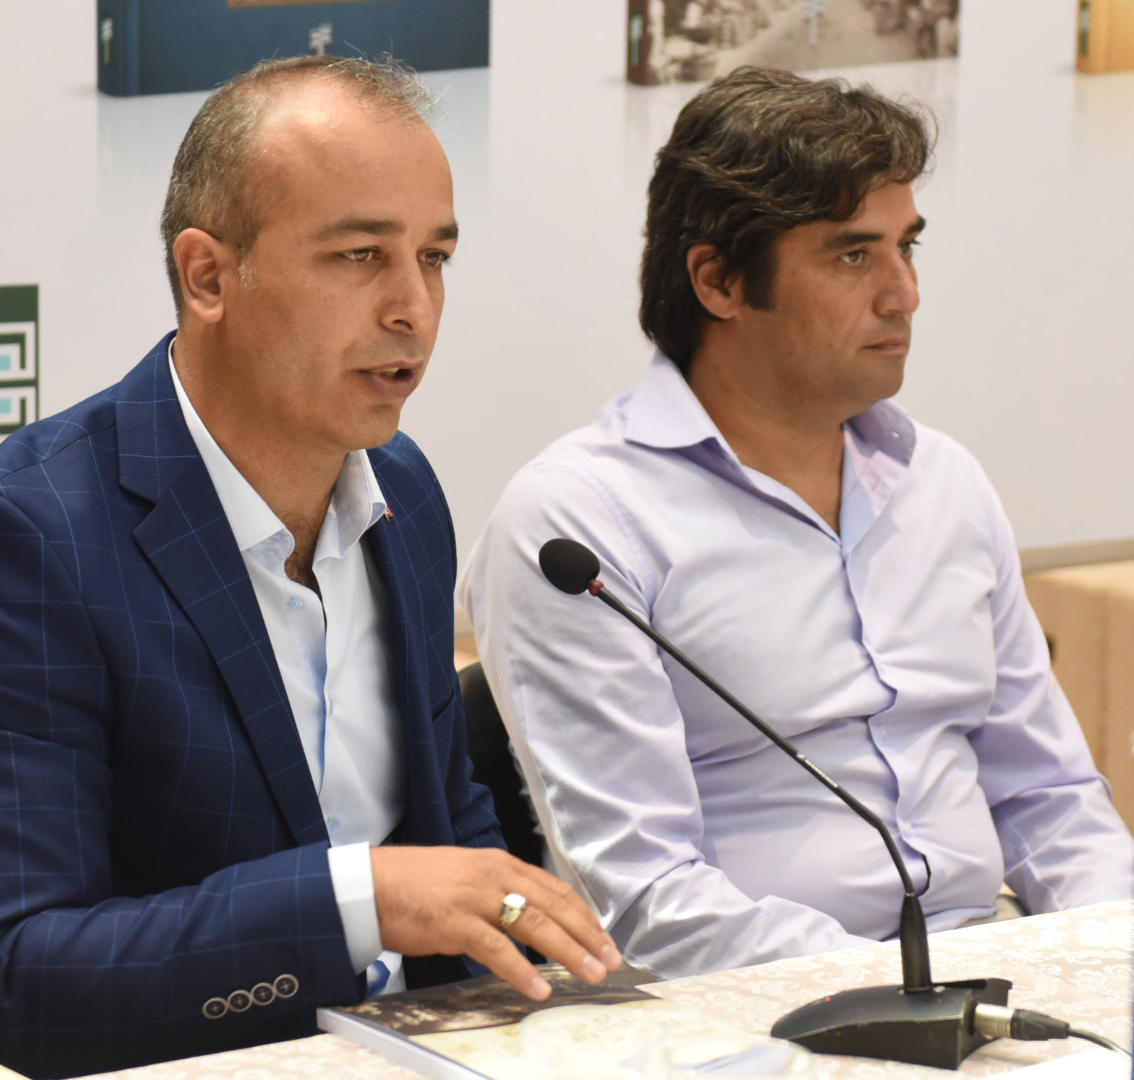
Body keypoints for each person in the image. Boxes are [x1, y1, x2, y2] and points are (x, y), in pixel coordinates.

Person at [0, 57, 620, 1080]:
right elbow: (5, 983)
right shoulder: (13, 544)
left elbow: (446, 827)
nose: (413, 307)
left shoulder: (404, 494)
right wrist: (359, 899)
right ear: (208, 277)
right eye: (360, 255)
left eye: (434, 257)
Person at [460, 66, 1133, 981]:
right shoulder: (579, 525)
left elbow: (1049, 797)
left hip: (990, 974)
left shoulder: (944, 484)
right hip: (749, 1011)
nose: (904, 293)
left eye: (907, 248)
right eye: (853, 256)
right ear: (720, 281)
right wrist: (913, 992)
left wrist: (1110, 957)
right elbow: (648, 902)